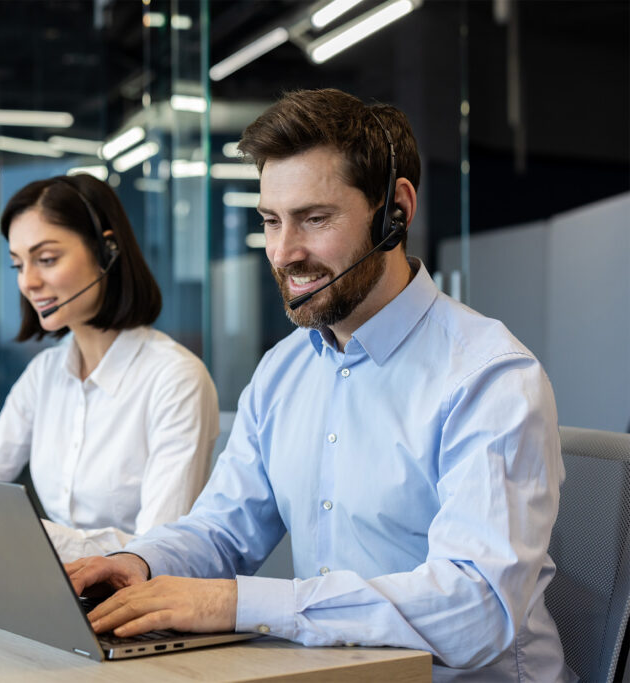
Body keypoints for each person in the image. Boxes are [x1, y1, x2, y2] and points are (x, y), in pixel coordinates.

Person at [66, 89, 571, 682]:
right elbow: (224, 529)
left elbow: (477, 607)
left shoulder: (488, 376)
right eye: (271, 221)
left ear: (396, 212)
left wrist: (237, 603)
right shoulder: (284, 370)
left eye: (315, 219)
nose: (284, 253)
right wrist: (139, 563)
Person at [0, 174, 219, 562]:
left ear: (106, 251)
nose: (28, 282)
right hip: (52, 588)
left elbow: (158, 551)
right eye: (17, 264)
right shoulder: (45, 373)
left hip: (135, 604)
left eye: (46, 259)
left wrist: (35, 538)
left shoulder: (175, 378)